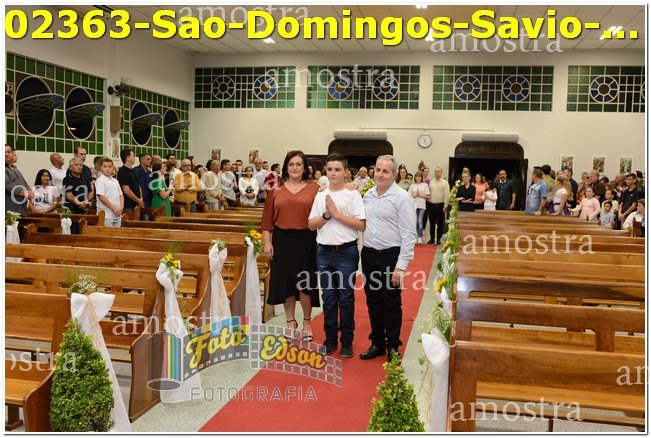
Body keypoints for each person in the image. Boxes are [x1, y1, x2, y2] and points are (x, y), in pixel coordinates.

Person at [308, 153, 366, 358]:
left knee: (346, 298)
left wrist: (337, 214)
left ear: (346, 172)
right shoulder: (320, 195)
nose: (333, 173)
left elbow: (361, 225)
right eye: (330, 169)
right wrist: (326, 215)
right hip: (324, 251)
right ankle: (330, 339)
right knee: (329, 298)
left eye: (337, 170)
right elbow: (311, 224)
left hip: (346, 252)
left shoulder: (353, 195)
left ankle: (347, 340)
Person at [360, 155, 417, 361]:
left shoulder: (402, 197)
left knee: (391, 302)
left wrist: (401, 267)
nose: (380, 174)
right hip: (369, 255)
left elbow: (409, 234)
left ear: (394, 175)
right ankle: (377, 343)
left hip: (390, 257)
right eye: (378, 170)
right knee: (373, 300)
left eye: (385, 171)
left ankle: (393, 345)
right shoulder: (367, 195)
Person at [262, 151, 320, 343]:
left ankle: (307, 322)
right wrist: (267, 242)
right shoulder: (275, 189)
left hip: (307, 240)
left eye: (298, 164)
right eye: (291, 164)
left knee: (305, 283)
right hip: (282, 241)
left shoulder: (315, 188)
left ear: (305, 168)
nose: (295, 168)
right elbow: (266, 221)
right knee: (287, 284)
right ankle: (290, 322)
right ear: (286, 167)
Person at [95, 158, 124, 227]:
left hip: (117, 214)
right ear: (101, 168)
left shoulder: (115, 181)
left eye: (109, 167)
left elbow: (121, 195)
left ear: (113, 168)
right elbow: (101, 197)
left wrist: (121, 208)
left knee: (117, 233)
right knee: (107, 233)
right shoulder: (100, 180)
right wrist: (114, 208)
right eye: (105, 167)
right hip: (106, 215)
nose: (107, 168)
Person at [6, 145, 33, 216]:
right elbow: (8, 185)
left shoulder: (15, 169)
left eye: (8, 152)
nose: (6, 154)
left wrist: (30, 191)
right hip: (10, 210)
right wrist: (24, 193)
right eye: (4, 153)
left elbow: (24, 184)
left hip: (21, 209)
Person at [426, 167, 449, 244]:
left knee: (440, 223)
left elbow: (447, 195)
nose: (437, 173)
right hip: (431, 205)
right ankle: (432, 238)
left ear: (441, 173)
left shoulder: (445, 183)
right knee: (432, 223)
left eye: (438, 171)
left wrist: (445, 206)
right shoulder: (431, 182)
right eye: (436, 171)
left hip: (440, 205)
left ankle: (438, 239)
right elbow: (428, 193)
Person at [117, 149, 143, 214]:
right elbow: (126, 190)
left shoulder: (133, 171)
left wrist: (141, 198)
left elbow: (138, 185)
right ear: (128, 158)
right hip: (128, 206)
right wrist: (138, 200)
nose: (134, 158)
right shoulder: (123, 171)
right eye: (133, 156)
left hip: (137, 204)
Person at [408, 171, 429, 243]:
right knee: (415, 221)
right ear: (415, 177)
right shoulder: (412, 186)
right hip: (414, 206)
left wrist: (420, 195)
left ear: (421, 177)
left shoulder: (425, 185)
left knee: (419, 220)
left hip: (422, 205)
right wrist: (414, 195)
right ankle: (415, 236)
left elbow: (428, 196)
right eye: (416, 176)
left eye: (419, 176)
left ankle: (419, 236)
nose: (418, 178)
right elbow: (408, 197)